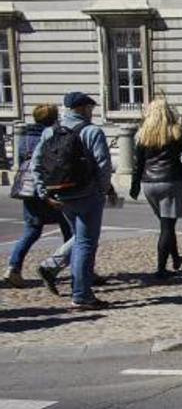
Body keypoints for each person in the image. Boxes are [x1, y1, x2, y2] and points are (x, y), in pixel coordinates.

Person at [31, 91, 114, 310]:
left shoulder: (51, 132)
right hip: (88, 194)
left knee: (79, 239)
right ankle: (81, 295)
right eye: (90, 108)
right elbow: (103, 166)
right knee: (86, 244)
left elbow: (36, 164)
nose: (91, 111)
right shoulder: (92, 131)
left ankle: (52, 267)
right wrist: (102, 191)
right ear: (83, 108)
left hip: (62, 194)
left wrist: (44, 193)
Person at [5, 104, 72, 289]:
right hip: (49, 188)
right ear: (53, 118)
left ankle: (13, 268)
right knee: (70, 229)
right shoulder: (52, 135)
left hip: (28, 189)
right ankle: (79, 269)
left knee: (32, 230)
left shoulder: (25, 137)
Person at [131, 99, 182, 279]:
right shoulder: (175, 131)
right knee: (167, 226)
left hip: (148, 183)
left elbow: (138, 164)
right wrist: (180, 169)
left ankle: (175, 258)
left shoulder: (143, 134)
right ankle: (161, 269)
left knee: (166, 224)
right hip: (170, 181)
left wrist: (134, 186)